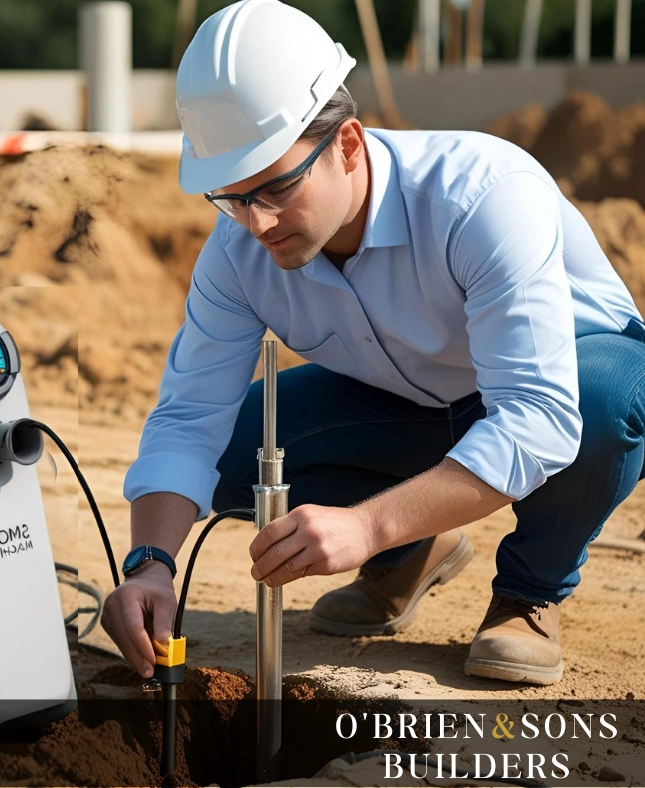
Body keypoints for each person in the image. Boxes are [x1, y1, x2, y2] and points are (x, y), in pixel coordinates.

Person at [100, 0, 645, 686]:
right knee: (238, 450)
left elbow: (537, 414)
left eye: (276, 187)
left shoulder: (481, 196)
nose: (258, 221)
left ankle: (530, 591)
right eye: (232, 197)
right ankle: (416, 548)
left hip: (565, 378)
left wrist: (366, 526)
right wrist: (151, 563)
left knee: (606, 401)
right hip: (412, 404)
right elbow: (188, 418)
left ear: (349, 145)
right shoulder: (237, 248)